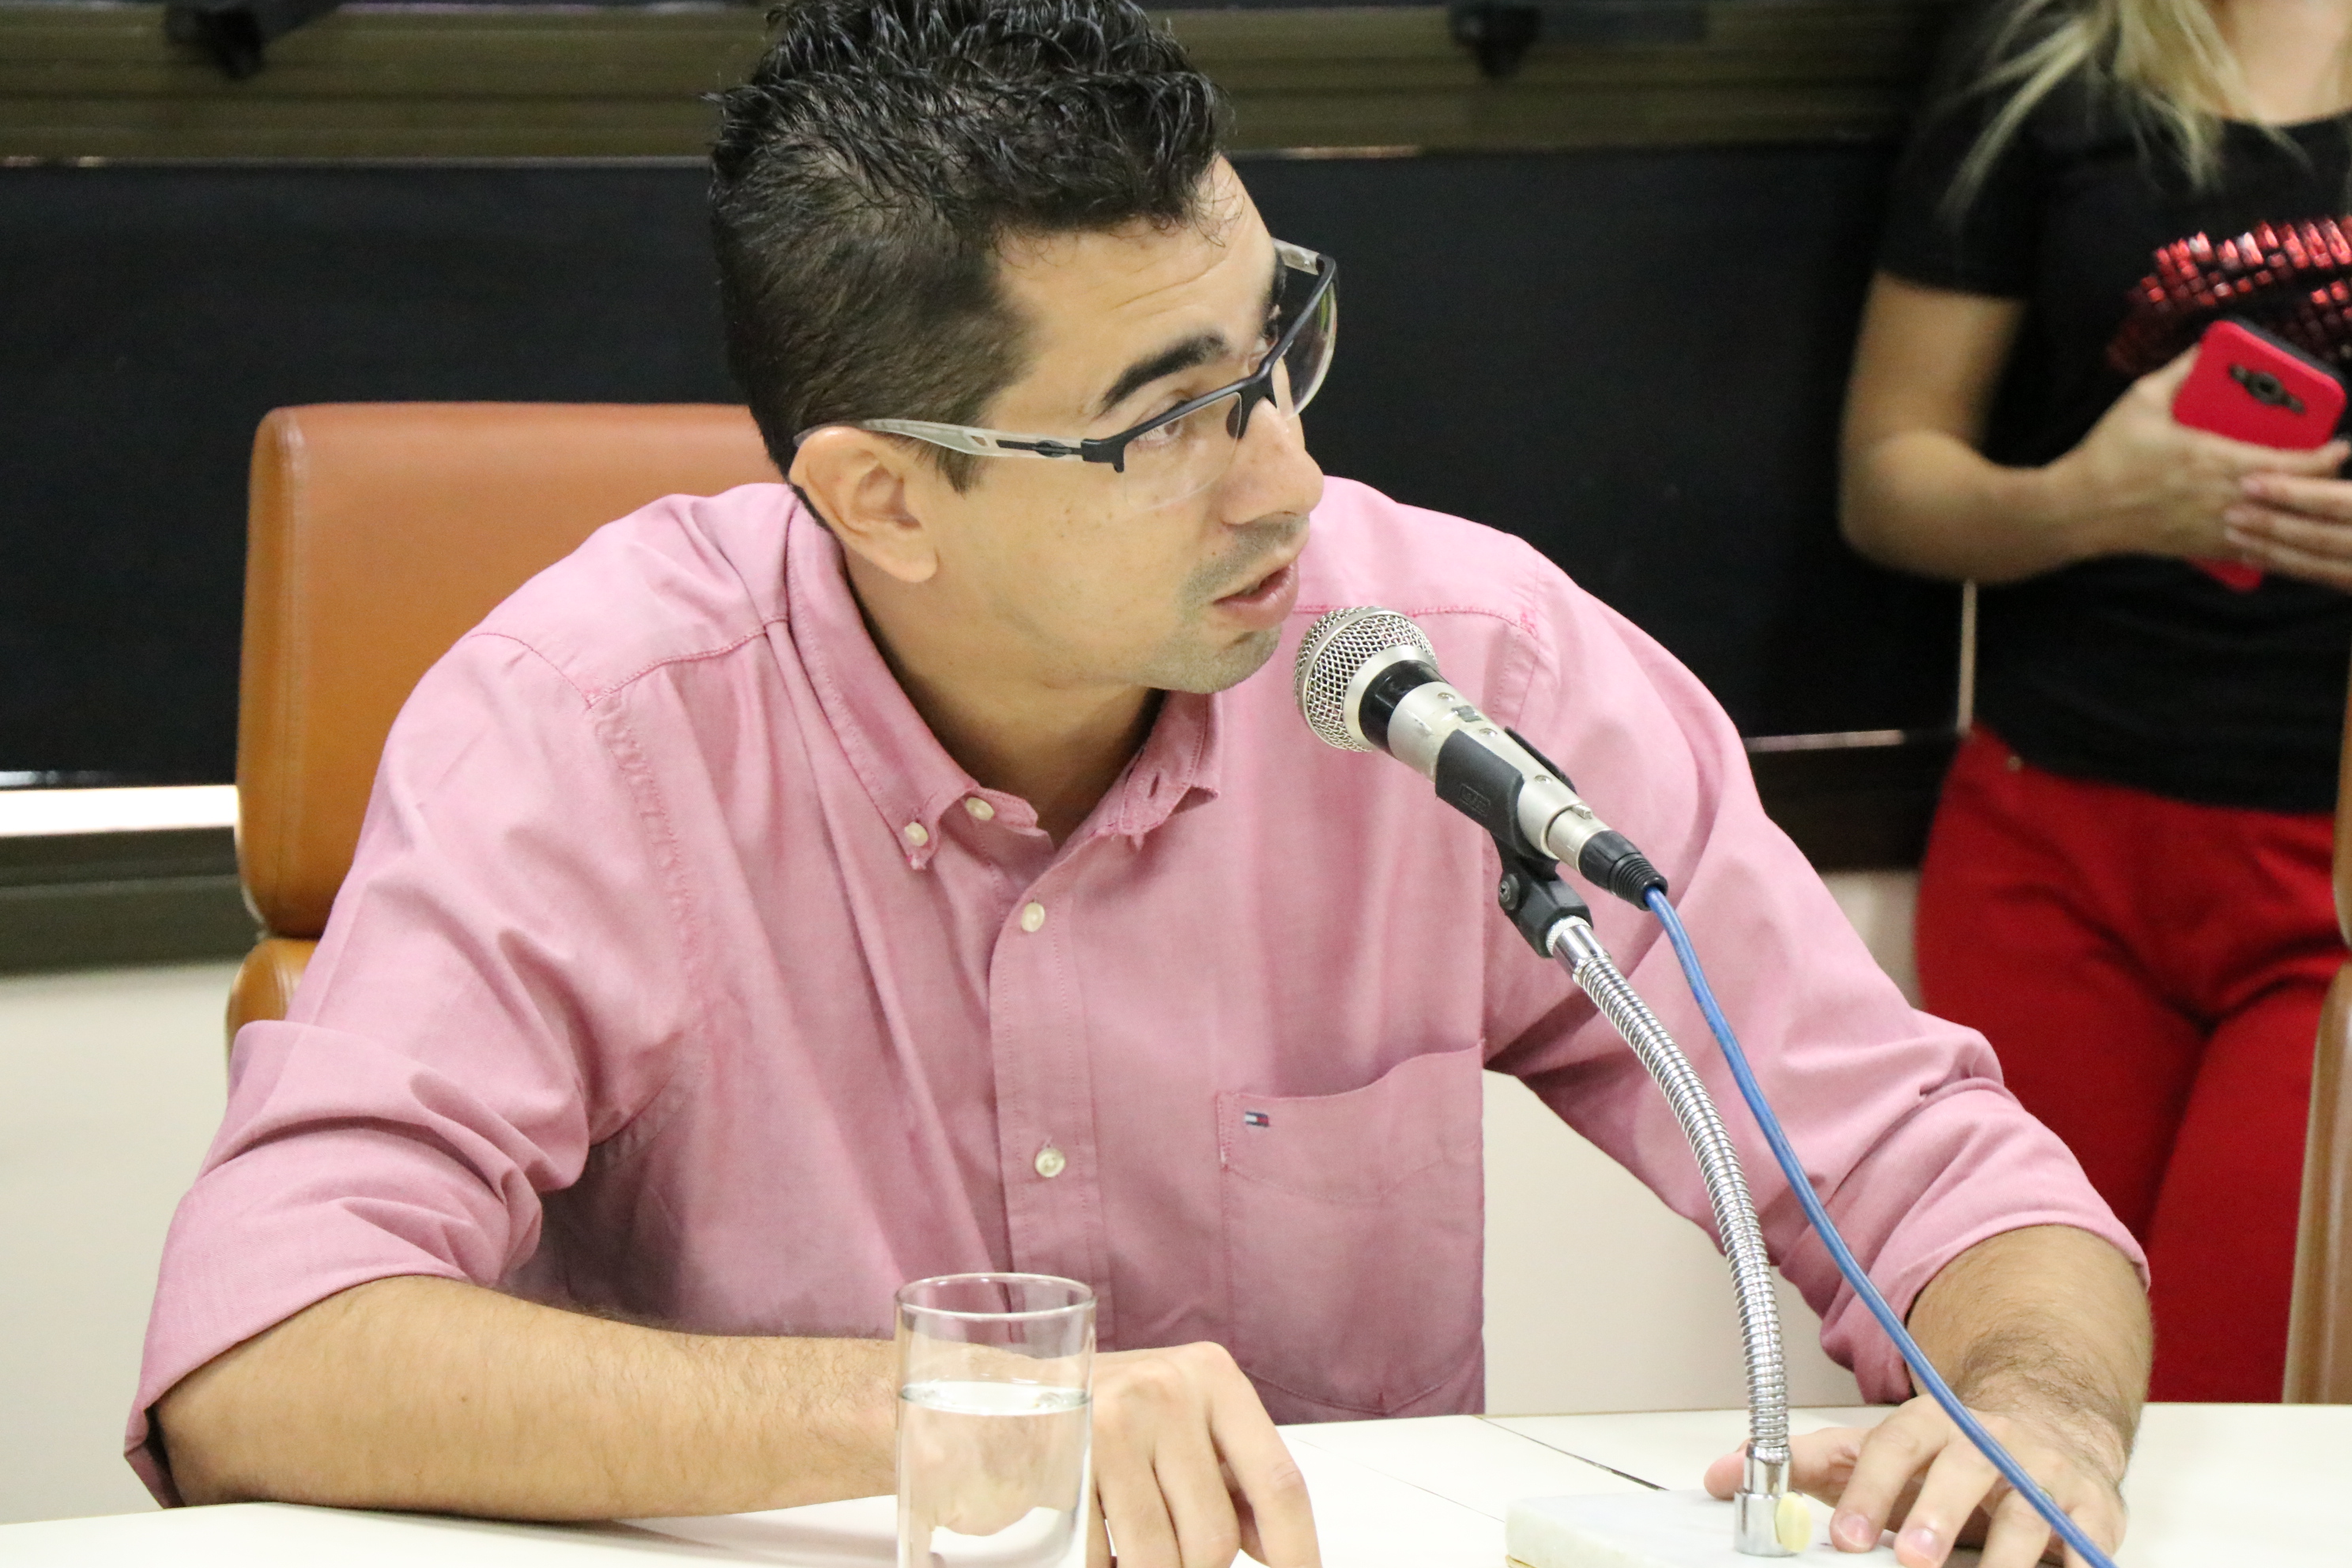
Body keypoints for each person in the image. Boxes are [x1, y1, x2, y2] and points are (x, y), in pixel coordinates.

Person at [138, 3, 2150, 1565]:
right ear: (883, 497)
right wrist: (959, 1413)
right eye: (1163, 424)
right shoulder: (594, 725)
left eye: (1271, 351)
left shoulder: (1460, 666)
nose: (1286, 477)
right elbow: (262, 1351)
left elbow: (1941, 1175)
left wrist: (2037, 1400)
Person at [1845, 0, 2352, 1404]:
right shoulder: (2044, 60)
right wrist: (2086, 504)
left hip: (2326, 883)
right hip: (2052, 853)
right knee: (2000, 1394)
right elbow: (1890, 478)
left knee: (2236, 1412)